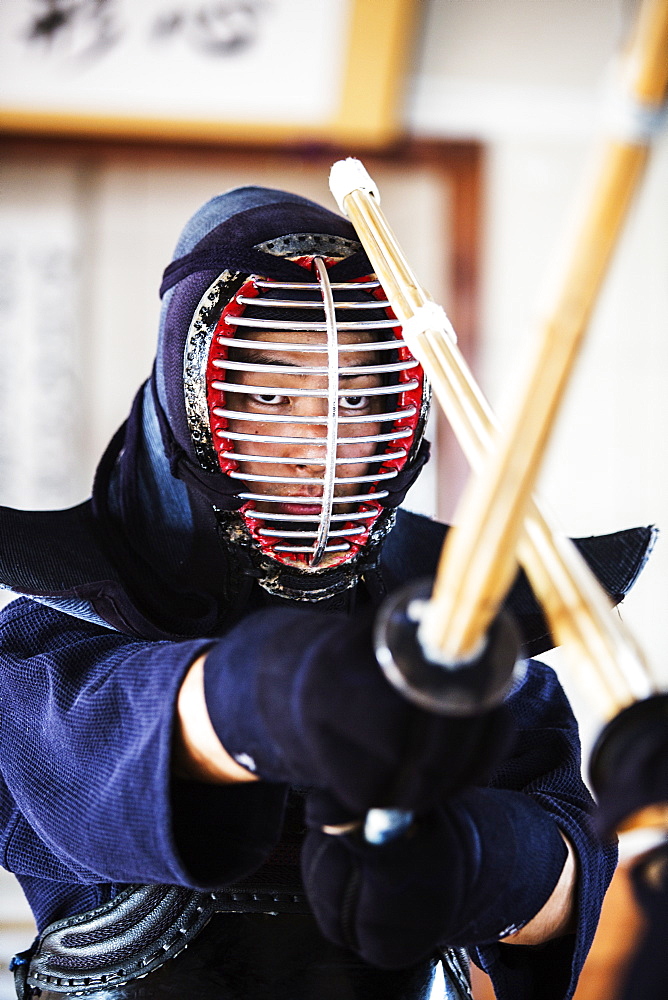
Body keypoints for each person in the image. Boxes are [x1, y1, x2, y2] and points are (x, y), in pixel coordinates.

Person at [0, 185, 654, 1000]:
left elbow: (569, 868)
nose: (320, 444)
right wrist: (266, 698)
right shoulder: (53, 637)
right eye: (271, 395)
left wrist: (492, 864)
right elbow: (89, 743)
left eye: (355, 399)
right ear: (188, 395)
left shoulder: (455, 634)